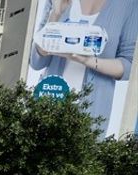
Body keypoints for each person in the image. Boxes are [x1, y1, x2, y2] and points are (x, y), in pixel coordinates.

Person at [29, 0, 136, 136]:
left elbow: (129, 66)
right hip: (50, 98)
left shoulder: (129, 4)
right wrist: (55, 15)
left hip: (92, 110)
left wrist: (88, 60)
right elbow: (36, 61)